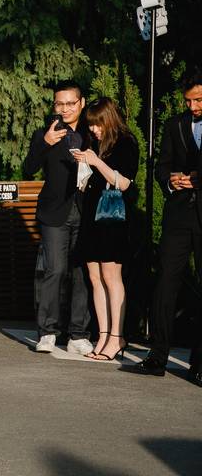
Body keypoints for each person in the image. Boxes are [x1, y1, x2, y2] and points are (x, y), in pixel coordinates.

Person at [123, 72, 202, 386]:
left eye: (199, 99)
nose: (193, 106)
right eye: (189, 100)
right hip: (178, 214)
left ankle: (198, 364)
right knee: (165, 284)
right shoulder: (175, 125)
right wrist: (170, 180)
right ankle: (157, 356)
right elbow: (162, 165)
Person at [24, 81, 93, 355]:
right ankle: (48, 332)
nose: (64, 109)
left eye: (70, 104)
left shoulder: (92, 132)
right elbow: (29, 168)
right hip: (55, 212)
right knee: (54, 271)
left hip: (86, 210)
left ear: (82, 103)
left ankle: (78, 333)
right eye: (59, 104)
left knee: (82, 273)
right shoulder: (46, 133)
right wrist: (44, 144)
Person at [72, 98, 139, 361]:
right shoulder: (94, 142)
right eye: (91, 126)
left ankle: (117, 337)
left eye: (97, 125)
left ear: (108, 120)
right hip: (92, 215)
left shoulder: (126, 142)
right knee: (95, 276)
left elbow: (123, 183)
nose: (94, 130)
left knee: (112, 276)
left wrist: (96, 162)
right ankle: (103, 334)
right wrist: (83, 167)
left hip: (112, 217)